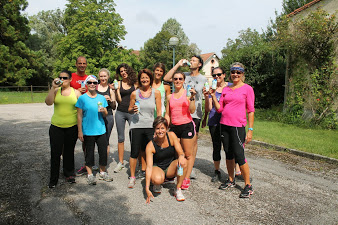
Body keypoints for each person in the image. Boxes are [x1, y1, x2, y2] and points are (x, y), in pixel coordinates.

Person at [210, 62, 255, 198]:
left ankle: (248, 185)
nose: (235, 74)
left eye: (238, 72)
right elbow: (220, 109)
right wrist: (212, 96)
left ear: (242, 74)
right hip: (224, 124)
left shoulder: (247, 89)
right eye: (233, 72)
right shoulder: (226, 89)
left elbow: (251, 111)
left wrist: (250, 130)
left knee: (239, 155)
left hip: (237, 126)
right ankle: (230, 180)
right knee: (228, 154)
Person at [163, 55, 206, 179]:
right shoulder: (184, 75)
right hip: (178, 113)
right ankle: (179, 170)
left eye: (194, 60)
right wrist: (178, 64)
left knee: (191, 146)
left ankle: (188, 171)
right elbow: (166, 78)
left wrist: (206, 114)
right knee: (177, 148)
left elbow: (206, 95)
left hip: (194, 112)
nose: (191, 62)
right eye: (190, 60)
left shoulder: (203, 79)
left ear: (199, 65)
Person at [202, 67, 241, 182]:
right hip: (214, 121)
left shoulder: (231, 86)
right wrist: (206, 96)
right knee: (216, 146)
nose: (216, 77)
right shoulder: (211, 89)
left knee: (231, 147)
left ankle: (236, 171)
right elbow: (209, 108)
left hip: (229, 121)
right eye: (214, 75)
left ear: (224, 75)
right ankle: (217, 170)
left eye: (219, 75)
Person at [45, 70, 81, 188]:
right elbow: (48, 103)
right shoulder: (56, 91)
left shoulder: (76, 93)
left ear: (70, 79)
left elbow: (80, 112)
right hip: (56, 127)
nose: (62, 80)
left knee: (69, 152)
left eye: (65, 78)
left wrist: (80, 129)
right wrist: (52, 87)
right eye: (60, 77)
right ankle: (53, 179)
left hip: (71, 127)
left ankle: (69, 174)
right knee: (55, 153)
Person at [76, 75, 113, 185]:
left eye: (94, 82)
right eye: (90, 82)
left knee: (103, 152)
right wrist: (80, 131)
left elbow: (106, 113)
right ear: (86, 84)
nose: (92, 84)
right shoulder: (82, 98)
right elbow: (79, 116)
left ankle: (102, 172)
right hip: (88, 130)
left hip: (100, 129)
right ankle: (90, 175)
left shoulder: (101, 98)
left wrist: (104, 111)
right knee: (89, 153)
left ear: (97, 84)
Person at [127, 69, 161, 188]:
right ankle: (132, 177)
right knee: (134, 152)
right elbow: (129, 109)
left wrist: (159, 127)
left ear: (150, 79)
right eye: (142, 78)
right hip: (136, 126)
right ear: (139, 79)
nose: (144, 80)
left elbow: (159, 112)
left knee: (151, 152)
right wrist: (133, 110)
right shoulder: (135, 93)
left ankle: (151, 175)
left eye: (146, 78)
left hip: (150, 126)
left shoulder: (156, 93)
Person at [164, 72, 196, 190]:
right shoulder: (169, 97)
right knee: (176, 154)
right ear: (172, 80)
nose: (177, 81)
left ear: (184, 80)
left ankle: (186, 178)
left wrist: (192, 97)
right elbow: (168, 114)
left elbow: (192, 111)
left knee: (187, 155)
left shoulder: (187, 94)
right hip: (174, 127)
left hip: (186, 126)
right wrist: (165, 127)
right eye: (175, 79)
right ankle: (174, 176)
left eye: (180, 79)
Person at [145, 117, 187, 203]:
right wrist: (146, 188)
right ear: (154, 130)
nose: (160, 131)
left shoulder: (171, 136)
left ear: (167, 128)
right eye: (157, 128)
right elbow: (148, 167)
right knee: (157, 179)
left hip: (170, 168)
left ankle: (178, 189)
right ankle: (157, 184)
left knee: (184, 162)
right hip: (158, 168)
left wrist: (181, 156)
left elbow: (180, 152)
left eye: (162, 128)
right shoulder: (150, 145)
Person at [112, 63, 138, 173]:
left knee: (134, 137)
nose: (123, 72)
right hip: (120, 112)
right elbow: (119, 101)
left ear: (129, 71)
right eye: (121, 71)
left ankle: (134, 161)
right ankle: (121, 162)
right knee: (121, 138)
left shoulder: (135, 83)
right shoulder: (118, 83)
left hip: (132, 113)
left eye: (125, 70)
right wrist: (117, 90)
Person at [71, 56, 89, 176]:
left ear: (86, 65)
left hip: (85, 113)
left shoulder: (89, 78)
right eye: (79, 63)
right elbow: (65, 89)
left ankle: (86, 164)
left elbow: (94, 92)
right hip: (71, 112)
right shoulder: (71, 76)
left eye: (84, 63)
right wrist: (76, 90)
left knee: (85, 141)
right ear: (76, 64)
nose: (82, 65)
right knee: (69, 142)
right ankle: (69, 166)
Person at [97, 68, 116, 157]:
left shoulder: (110, 90)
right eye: (101, 76)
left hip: (108, 116)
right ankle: (91, 163)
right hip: (96, 116)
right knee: (94, 139)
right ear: (98, 77)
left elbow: (114, 107)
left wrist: (111, 100)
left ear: (108, 77)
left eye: (105, 76)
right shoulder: (95, 87)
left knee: (105, 140)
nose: (103, 78)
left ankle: (104, 163)